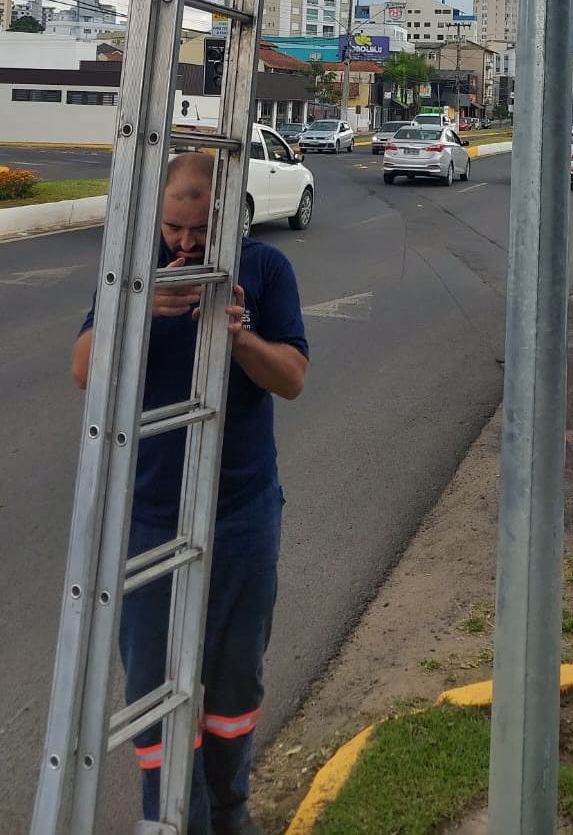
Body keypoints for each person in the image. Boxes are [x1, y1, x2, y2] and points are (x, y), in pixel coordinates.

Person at [71, 152, 308, 835]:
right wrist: (141, 308)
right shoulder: (133, 268)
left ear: (228, 218)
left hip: (241, 512)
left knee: (233, 683)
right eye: (172, 227)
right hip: (147, 516)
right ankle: (173, 820)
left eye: (197, 231)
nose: (182, 243)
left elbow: (291, 377)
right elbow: (84, 368)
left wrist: (236, 337)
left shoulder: (265, 270)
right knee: (152, 685)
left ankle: (229, 812)